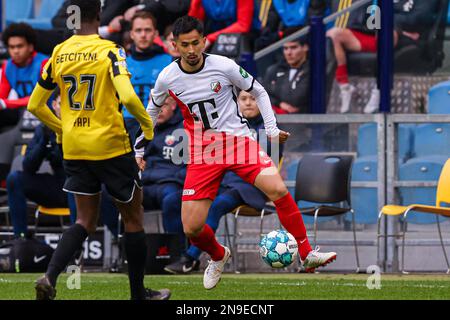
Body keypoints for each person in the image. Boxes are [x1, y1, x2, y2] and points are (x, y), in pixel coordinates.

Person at [135, 16, 337, 290]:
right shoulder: (167, 77)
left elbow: (260, 92)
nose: (192, 50)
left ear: (204, 41)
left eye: (196, 43)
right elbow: (151, 112)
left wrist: (271, 129)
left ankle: (306, 252)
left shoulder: (224, 65)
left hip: (236, 141)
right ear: (175, 46)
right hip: (202, 151)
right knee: (192, 228)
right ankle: (218, 255)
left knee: (277, 188)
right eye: (185, 45)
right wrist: (139, 147)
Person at [27, 0, 169, 300]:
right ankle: (138, 294)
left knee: (84, 221)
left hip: (75, 148)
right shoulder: (110, 50)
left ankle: (49, 277)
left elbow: (35, 105)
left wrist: (62, 128)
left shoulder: (59, 52)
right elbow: (130, 99)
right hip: (110, 146)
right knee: (133, 217)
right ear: (99, 15)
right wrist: (147, 126)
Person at [164, 89, 282, 273]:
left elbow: (266, 162)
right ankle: (176, 254)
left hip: (251, 186)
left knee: (218, 204)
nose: (249, 103)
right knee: (172, 200)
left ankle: (190, 257)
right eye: (243, 99)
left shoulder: (269, 128)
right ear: (237, 103)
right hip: (223, 182)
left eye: (253, 99)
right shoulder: (226, 125)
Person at [327, 0, 439, 113]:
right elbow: (371, 17)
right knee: (334, 34)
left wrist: (392, 24)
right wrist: (390, 23)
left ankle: (379, 90)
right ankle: (345, 88)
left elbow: (418, 18)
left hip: (407, 40)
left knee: (388, 32)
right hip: (381, 33)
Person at [6, 91, 66, 237]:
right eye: (60, 104)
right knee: (15, 179)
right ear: (53, 105)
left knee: (77, 183)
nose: (64, 109)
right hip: (57, 187)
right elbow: (28, 166)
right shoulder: (44, 129)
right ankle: (20, 240)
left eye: (68, 105)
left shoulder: (81, 127)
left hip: (81, 188)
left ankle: (78, 242)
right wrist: (44, 141)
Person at [124, 11, 173, 143]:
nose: (143, 35)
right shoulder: (122, 63)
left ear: (156, 34)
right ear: (132, 34)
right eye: (138, 30)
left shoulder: (169, 62)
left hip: (159, 126)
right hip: (126, 127)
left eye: (148, 30)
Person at [0, 23, 48, 130]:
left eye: (20, 46)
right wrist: (3, 103)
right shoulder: (7, 66)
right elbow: (1, 98)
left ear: (30, 47)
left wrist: (5, 103)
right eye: (12, 47)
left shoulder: (44, 63)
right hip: (22, 112)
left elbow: (39, 99)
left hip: (44, 111)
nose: (16, 51)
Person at [263, 29, 310, 114]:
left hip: (305, 122)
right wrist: (279, 103)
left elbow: (295, 99)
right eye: (285, 48)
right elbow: (261, 95)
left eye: (293, 47)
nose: (289, 52)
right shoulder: (273, 70)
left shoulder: (312, 70)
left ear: (305, 47)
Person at [188, 0, 261, 50]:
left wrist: (210, 39)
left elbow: (243, 26)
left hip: (248, 40)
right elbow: (193, 24)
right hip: (216, 40)